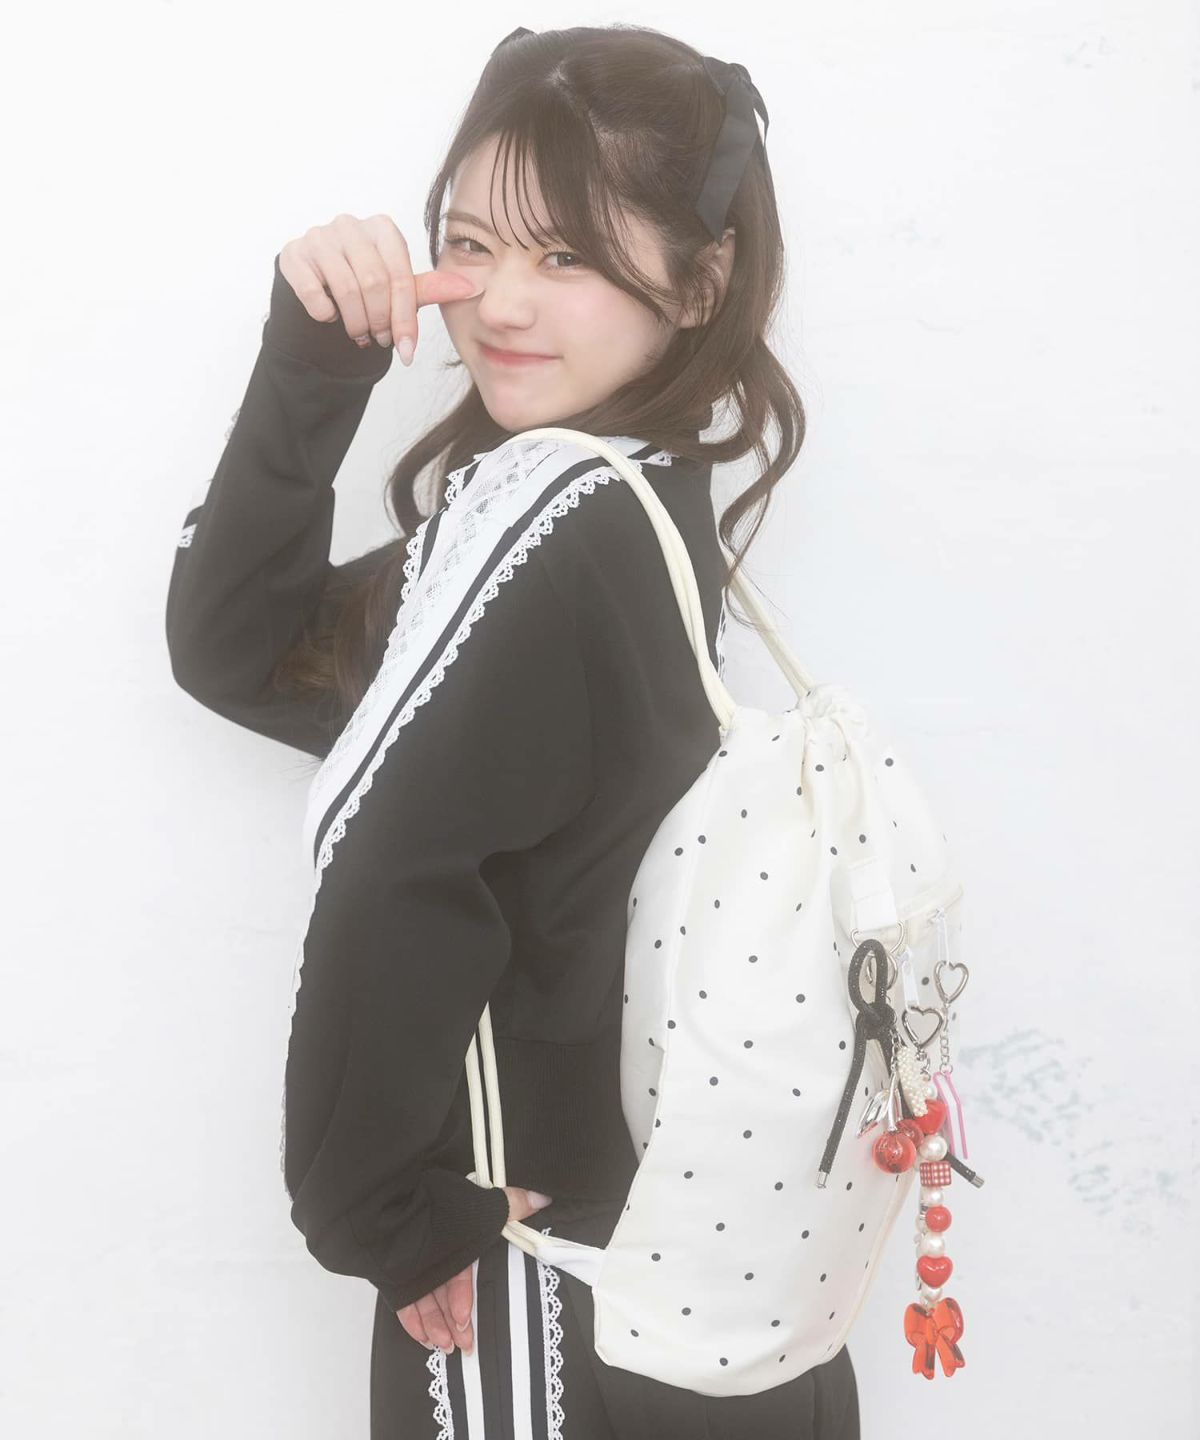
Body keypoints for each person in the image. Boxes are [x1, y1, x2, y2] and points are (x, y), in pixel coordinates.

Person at [166, 22, 859, 1439]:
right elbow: (244, 652)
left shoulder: (564, 520)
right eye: (473, 244)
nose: (500, 302)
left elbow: (400, 871)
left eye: (566, 254)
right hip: (684, 1277)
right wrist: (316, 365)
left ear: (701, 279)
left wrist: (385, 1210)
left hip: (531, 1279)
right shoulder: (616, 509)